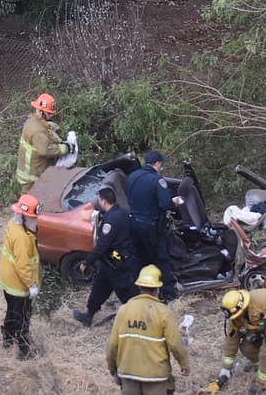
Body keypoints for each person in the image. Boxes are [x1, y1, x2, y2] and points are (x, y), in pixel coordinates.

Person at [106, 265, 190, 394]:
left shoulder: (124, 310)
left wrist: (112, 367)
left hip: (128, 373)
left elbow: (112, 344)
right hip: (156, 376)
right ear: (157, 288)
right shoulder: (163, 312)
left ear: (139, 286)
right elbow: (175, 344)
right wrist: (184, 364)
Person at [73, 187, 139, 327]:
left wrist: (87, 262)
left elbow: (102, 245)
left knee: (127, 293)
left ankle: (140, 320)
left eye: (99, 200)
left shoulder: (111, 220)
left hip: (117, 264)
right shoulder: (122, 212)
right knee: (99, 288)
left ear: (103, 201)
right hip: (110, 263)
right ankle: (88, 315)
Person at [126, 150, 180, 301]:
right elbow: (165, 204)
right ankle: (168, 293)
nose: (161, 167)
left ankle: (137, 292)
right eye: (161, 164)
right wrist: (174, 202)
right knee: (160, 258)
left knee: (139, 258)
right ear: (157, 164)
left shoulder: (132, 177)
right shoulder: (157, 180)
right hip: (150, 226)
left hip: (133, 224)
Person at [0, 194, 42, 359]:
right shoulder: (22, 238)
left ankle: (7, 339)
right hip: (18, 285)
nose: (35, 222)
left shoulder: (14, 225)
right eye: (32, 218)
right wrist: (32, 285)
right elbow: (22, 266)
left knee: (12, 312)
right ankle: (24, 351)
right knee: (22, 318)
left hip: (9, 281)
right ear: (23, 217)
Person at [16, 92, 73, 194]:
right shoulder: (37, 131)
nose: (52, 114)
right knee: (30, 204)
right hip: (31, 177)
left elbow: (44, 131)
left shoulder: (33, 120)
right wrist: (65, 148)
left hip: (32, 172)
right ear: (41, 111)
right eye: (49, 113)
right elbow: (46, 150)